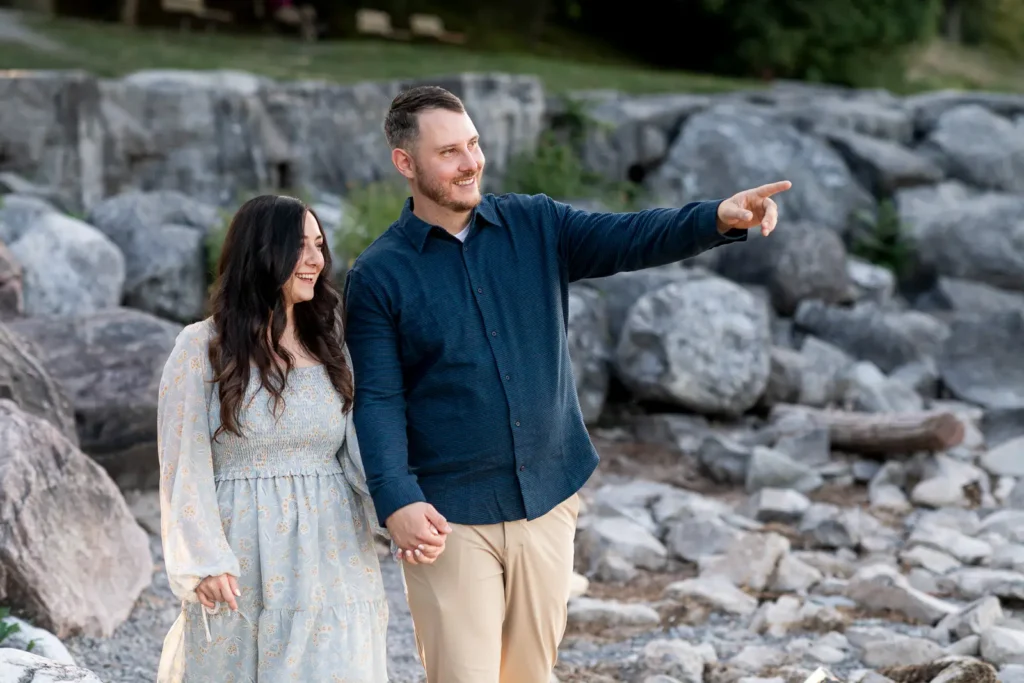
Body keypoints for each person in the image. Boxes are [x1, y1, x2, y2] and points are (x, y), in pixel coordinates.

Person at [342, 85, 792, 683]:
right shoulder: (378, 275)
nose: (471, 162)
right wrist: (396, 499)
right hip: (447, 514)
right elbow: (377, 397)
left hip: (548, 498)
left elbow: (631, 235)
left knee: (531, 673)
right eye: (450, 151)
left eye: (473, 144)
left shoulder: (536, 223)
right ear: (406, 163)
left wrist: (713, 218)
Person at [155, 194, 420, 683]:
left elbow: (357, 450)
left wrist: (396, 511)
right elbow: (182, 465)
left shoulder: (332, 342)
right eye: (300, 246)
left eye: (320, 245)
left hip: (334, 550)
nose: (317, 259)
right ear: (262, 252)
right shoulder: (201, 347)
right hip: (243, 554)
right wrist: (204, 561)